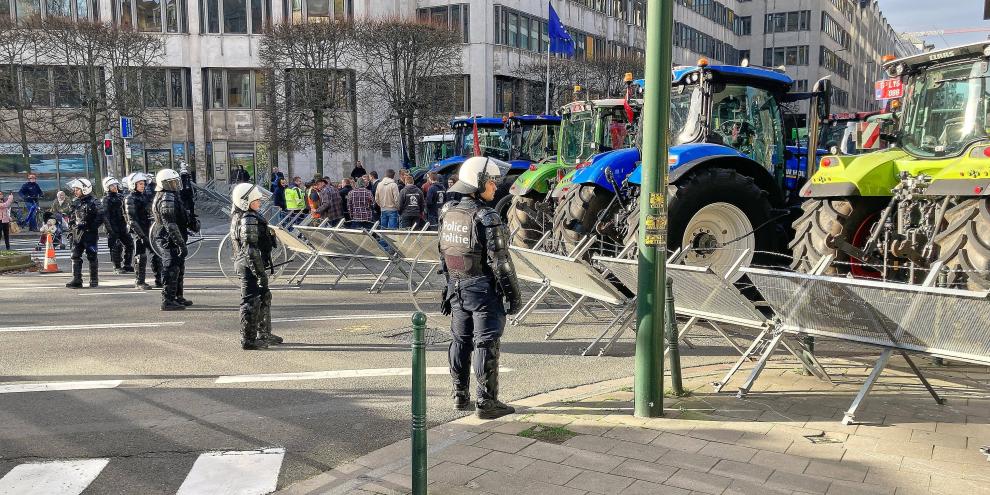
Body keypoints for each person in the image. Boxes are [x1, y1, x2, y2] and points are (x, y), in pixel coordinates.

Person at [438, 157, 522, 419]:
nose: (495, 186)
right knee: (486, 342)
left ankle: (460, 396)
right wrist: (514, 296)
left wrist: (449, 286)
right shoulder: (486, 215)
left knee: (460, 341)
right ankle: (486, 402)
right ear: (477, 183)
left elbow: (443, 252)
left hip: (457, 287)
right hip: (482, 289)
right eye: (491, 181)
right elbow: (501, 263)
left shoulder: (448, 212)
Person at [230, 183, 283, 350]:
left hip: (251, 264)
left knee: (264, 296)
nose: (259, 201)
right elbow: (251, 250)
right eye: (256, 199)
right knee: (250, 301)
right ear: (246, 201)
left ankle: (263, 333)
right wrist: (260, 274)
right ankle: (248, 339)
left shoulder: (247, 215)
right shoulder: (248, 218)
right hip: (249, 265)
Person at [153, 168, 190, 311]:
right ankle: (168, 300)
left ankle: (177, 296)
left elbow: (180, 217)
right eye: (172, 182)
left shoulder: (172, 195)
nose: (175, 185)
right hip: (168, 238)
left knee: (179, 267)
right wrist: (180, 243)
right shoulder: (166, 197)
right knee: (171, 268)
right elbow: (170, 224)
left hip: (174, 236)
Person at [125, 173, 161, 290]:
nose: (143, 186)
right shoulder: (129, 198)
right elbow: (131, 220)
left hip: (148, 229)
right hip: (137, 231)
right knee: (140, 256)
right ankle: (139, 281)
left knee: (156, 253)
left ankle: (159, 279)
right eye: (140, 184)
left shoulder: (144, 196)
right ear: (133, 184)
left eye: (143, 183)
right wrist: (141, 235)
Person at [65, 178, 102, 289]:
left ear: (85, 189)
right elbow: (71, 217)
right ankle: (77, 280)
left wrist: (91, 227)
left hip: (89, 234)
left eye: (77, 189)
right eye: (75, 189)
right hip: (77, 233)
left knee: (92, 256)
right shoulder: (75, 201)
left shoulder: (94, 201)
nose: (75, 191)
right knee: (75, 256)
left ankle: (94, 280)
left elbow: (101, 216)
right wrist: (71, 228)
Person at [101, 177, 134, 274]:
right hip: (112, 226)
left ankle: (127, 264)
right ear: (107, 187)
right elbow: (105, 215)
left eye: (115, 185)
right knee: (115, 246)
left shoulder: (121, 196)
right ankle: (117, 266)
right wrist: (109, 229)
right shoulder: (105, 199)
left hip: (122, 225)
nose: (114, 187)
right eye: (112, 185)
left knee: (130, 244)